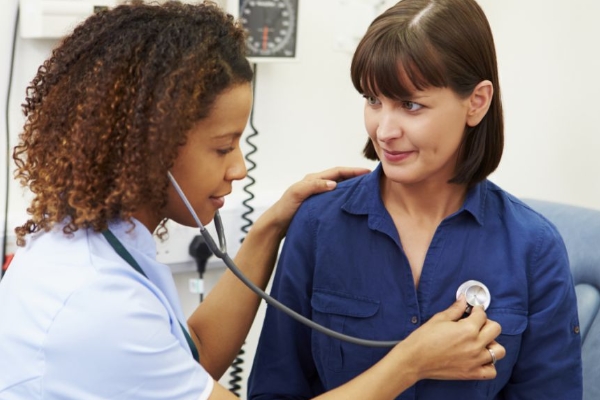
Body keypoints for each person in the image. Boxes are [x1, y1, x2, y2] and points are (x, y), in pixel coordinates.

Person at [0, 1, 505, 399]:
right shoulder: (95, 303)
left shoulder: (101, 242)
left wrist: (268, 229)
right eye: (223, 147)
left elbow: (191, 357)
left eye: (410, 104)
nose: (240, 167)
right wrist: (411, 362)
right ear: (149, 149)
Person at [248, 0, 583, 399]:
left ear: (476, 102)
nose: (384, 130)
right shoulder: (318, 225)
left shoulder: (534, 248)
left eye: (410, 105)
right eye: (373, 100)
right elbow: (274, 391)